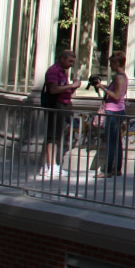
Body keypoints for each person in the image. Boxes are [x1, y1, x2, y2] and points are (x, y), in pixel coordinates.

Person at [38, 48, 82, 180]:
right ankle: (51, 166)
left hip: (61, 105)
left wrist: (73, 87)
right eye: (69, 61)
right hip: (55, 106)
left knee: (56, 136)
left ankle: (50, 165)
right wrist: (70, 86)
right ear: (61, 59)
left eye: (73, 62)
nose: (71, 64)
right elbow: (53, 89)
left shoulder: (61, 72)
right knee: (52, 136)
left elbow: (62, 89)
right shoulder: (54, 71)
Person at [97, 52, 128, 179]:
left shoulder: (118, 78)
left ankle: (108, 170)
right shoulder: (123, 76)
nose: (110, 66)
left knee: (111, 141)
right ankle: (117, 168)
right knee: (117, 141)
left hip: (114, 111)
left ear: (116, 63)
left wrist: (102, 88)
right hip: (118, 110)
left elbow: (115, 95)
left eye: (111, 63)